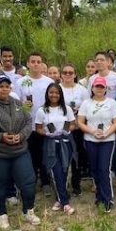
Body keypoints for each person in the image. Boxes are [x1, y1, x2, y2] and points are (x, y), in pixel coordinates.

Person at [0, 74, 41, 229]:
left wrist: (22, 135)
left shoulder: (18, 103)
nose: (4, 89)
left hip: (19, 150)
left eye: (7, 86)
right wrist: (0, 137)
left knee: (28, 183)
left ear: (10, 88)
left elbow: (27, 121)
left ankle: (28, 211)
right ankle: (2, 215)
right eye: (1, 86)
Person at [78, 76, 116, 212]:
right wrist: (92, 132)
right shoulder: (86, 103)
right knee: (95, 169)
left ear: (106, 89)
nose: (99, 89)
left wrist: (106, 133)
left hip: (107, 140)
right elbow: (80, 122)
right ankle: (99, 197)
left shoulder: (112, 103)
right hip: (91, 140)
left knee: (104, 169)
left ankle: (107, 198)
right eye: (97, 86)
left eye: (102, 87)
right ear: (92, 88)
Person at [87, 51, 116, 194]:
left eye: (102, 60)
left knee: (114, 151)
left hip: (113, 119)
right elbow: (88, 98)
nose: (98, 62)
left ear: (108, 62)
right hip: (96, 119)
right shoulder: (92, 79)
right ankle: (98, 180)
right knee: (97, 151)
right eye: (96, 60)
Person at [16, 52, 54, 196]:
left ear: (42, 63)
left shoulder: (48, 82)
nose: (36, 64)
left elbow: (54, 101)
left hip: (44, 125)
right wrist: (23, 106)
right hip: (27, 125)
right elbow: (16, 104)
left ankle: (46, 182)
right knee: (30, 155)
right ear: (28, 64)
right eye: (33, 61)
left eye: (38, 62)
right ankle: (31, 181)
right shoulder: (21, 82)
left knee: (45, 154)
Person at [36, 83, 77, 214]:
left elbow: (72, 124)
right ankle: (65, 203)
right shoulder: (42, 110)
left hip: (66, 143)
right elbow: (38, 128)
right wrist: (48, 133)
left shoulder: (67, 109)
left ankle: (59, 198)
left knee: (64, 172)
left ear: (60, 94)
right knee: (56, 172)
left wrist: (68, 131)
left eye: (57, 93)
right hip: (51, 145)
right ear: (47, 94)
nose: (54, 95)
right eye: (51, 92)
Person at [59, 63, 90, 196]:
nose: (68, 75)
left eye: (70, 73)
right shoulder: (57, 88)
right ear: (61, 75)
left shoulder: (82, 89)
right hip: (62, 126)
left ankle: (76, 183)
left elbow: (88, 106)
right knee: (63, 156)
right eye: (65, 72)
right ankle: (62, 184)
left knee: (76, 156)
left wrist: (79, 110)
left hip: (77, 127)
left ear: (75, 74)